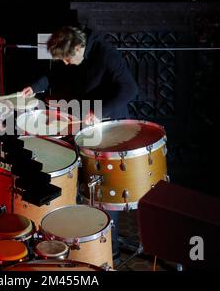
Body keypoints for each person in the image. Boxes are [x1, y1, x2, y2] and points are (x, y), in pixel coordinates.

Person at [21, 25, 138, 264]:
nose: (65, 63)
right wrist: (36, 85)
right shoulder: (71, 54)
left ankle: (109, 252)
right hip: (81, 121)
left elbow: (130, 89)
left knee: (102, 191)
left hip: (107, 124)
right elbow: (54, 75)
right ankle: (75, 241)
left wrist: (99, 111)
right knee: (77, 182)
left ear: (78, 47)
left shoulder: (106, 54)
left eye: (67, 57)